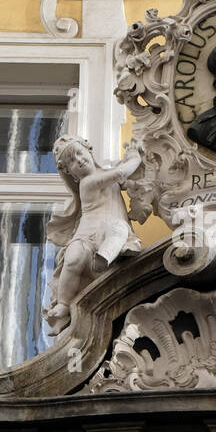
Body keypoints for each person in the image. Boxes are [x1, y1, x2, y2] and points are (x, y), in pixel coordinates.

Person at [45, 136, 143, 334]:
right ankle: (63, 304)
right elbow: (122, 172)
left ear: (89, 150)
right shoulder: (88, 182)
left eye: (80, 153)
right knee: (73, 259)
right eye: (72, 161)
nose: (79, 160)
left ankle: (104, 257)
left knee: (119, 230)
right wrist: (135, 158)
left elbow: (126, 176)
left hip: (109, 229)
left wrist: (135, 156)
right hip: (87, 234)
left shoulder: (105, 174)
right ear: (70, 172)